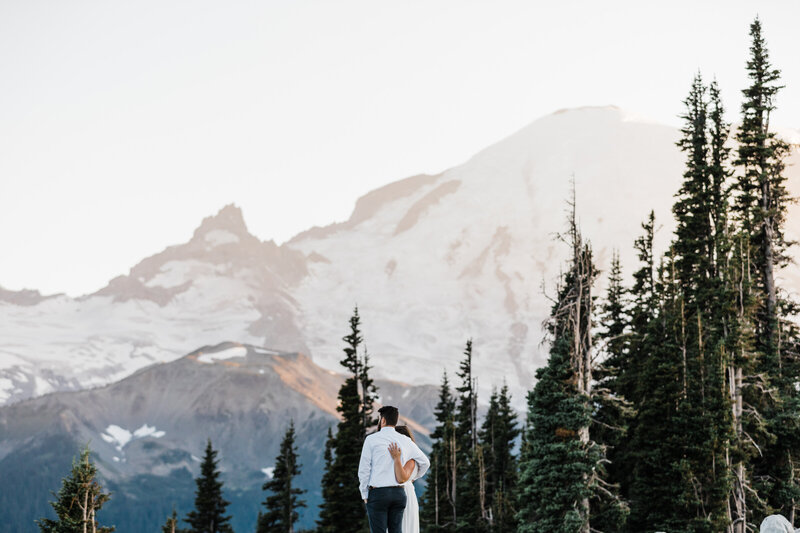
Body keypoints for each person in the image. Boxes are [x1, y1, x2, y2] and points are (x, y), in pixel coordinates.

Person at [358, 406, 430, 533]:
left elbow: (364, 469)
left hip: (378, 493)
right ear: (395, 421)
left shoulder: (371, 439)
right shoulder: (405, 440)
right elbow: (425, 462)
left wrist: (364, 494)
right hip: (399, 494)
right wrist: (411, 478)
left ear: (383, 420)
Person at [389, 425, 420, 533]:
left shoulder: (410, 459)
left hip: (405, 495)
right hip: (396, 495)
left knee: (404, 527)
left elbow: (401, 478)